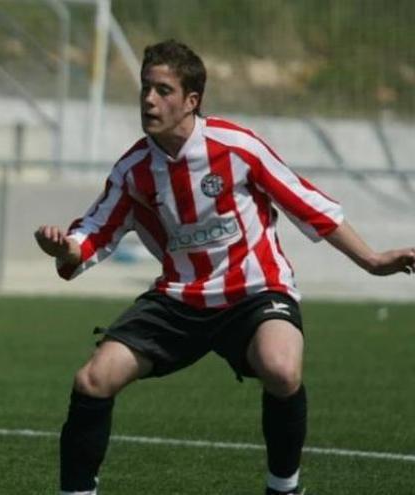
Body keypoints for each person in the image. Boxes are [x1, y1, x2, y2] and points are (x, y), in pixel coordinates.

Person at [35, 39, 415, 495]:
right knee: (93, 379)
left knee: (281, 369)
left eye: (163, 90)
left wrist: (372, 260)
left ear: (191, 100)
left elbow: (307, 204)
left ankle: (284, 487)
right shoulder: (133, 170)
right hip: (180, 297)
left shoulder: (237, 147)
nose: (149, 100)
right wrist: (66, 249)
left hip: (256, 291)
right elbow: (95, 232)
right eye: (145, 88)